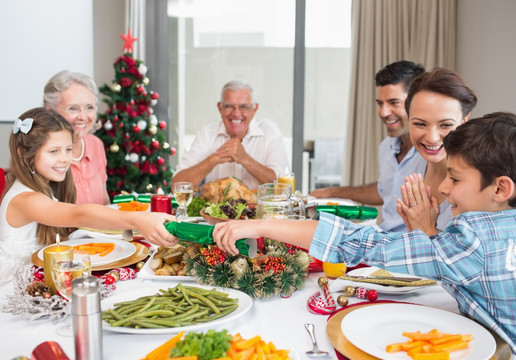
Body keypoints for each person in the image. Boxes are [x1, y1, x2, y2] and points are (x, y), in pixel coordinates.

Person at [213, 112, 516, 352]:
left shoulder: (473, 237)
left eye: (455, 178)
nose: (443, 187)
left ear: (501, 188)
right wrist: (429, 232)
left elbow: (361, 243)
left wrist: (261, 225)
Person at [0, 108, 177, 304]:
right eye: (54, 151)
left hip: (41, 273)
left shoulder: (44, 187)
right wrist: (139, 220)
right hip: (12, 283)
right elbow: (78, 214)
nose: (64, 158)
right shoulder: (25, 199)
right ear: (23, 154)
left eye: (68, 149)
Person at [310, 60, 426, 232]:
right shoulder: (386, 147)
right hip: (385, 236)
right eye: (380, 103)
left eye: (394, 102)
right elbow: (384, 190)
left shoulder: (432, 154)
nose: (383, 112)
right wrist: (331, 192)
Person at [397, 68, 477, 232]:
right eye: (420, 124)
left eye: (446, 125)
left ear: (464, 120)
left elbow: (469, 256)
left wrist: (426, 229)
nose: (432, 138)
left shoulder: (478, 181)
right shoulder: (416, 163)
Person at [172, 80, 289, 190]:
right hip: (215, 211)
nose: (236, 113)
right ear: (220, 108)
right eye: (229, 106)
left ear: (255, 109)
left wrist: (244, 159)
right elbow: (177, 186)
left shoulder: (270, 131)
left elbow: (282, 186)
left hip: (260, 210)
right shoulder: (207, 133)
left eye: (243, 107)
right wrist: (212, 160)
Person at [43, 70, 110, 205]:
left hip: (101, 226)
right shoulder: (43, 152)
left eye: (89, 107)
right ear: (50, 109)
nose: (83, 117)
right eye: (73, 108)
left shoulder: (96, 144)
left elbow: (105, 201)